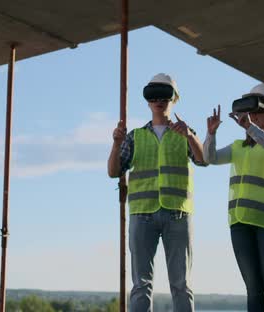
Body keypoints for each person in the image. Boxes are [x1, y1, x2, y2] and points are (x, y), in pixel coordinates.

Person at [108, 73, 206, 312]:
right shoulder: (136, 136)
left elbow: (202, 160)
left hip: (178, 215)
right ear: (148, 101)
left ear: (175, 99)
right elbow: (113, 171)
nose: (159, 100)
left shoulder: (185, 132)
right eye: (154, 96)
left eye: (165, 95)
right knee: (141, 284)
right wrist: (116, 143)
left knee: (181, 284)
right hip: (143, 215)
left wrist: (190, 135)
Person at [203, 83, 264, 312]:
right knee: (253, 288)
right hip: (241, 223)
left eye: (257, 111)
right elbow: (210, 158)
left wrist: (251, 129)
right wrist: (211, 133)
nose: (253, 117)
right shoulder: (239, 146)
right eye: (250, 113)